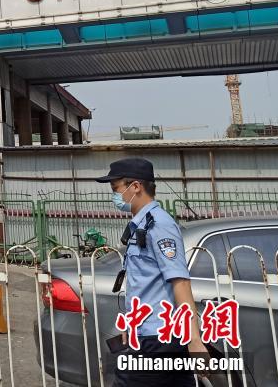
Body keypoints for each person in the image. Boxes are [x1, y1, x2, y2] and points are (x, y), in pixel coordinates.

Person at [96, 157, 206, 386]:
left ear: (135, 187)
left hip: (158, 339)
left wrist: (195, 340)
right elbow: (144, 285)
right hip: (148, 335)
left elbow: (180, 282)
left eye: (116, 188)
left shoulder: (160, 225)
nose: (115, 196)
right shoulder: (142, 224)